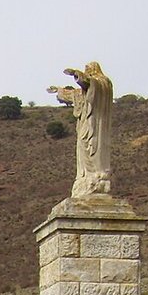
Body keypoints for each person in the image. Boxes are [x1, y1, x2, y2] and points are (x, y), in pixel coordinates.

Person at [49, 62, 113, 197]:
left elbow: (90, 82)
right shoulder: (85, 90)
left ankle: (95, 176)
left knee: (93, 147)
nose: (87, 71)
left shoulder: (102, 83)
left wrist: (76, 74)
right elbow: (74, 93)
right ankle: (85, 177)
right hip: (84, 123)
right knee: (82, 147)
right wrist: (59, 90)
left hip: (95, 123)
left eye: (88, 69)